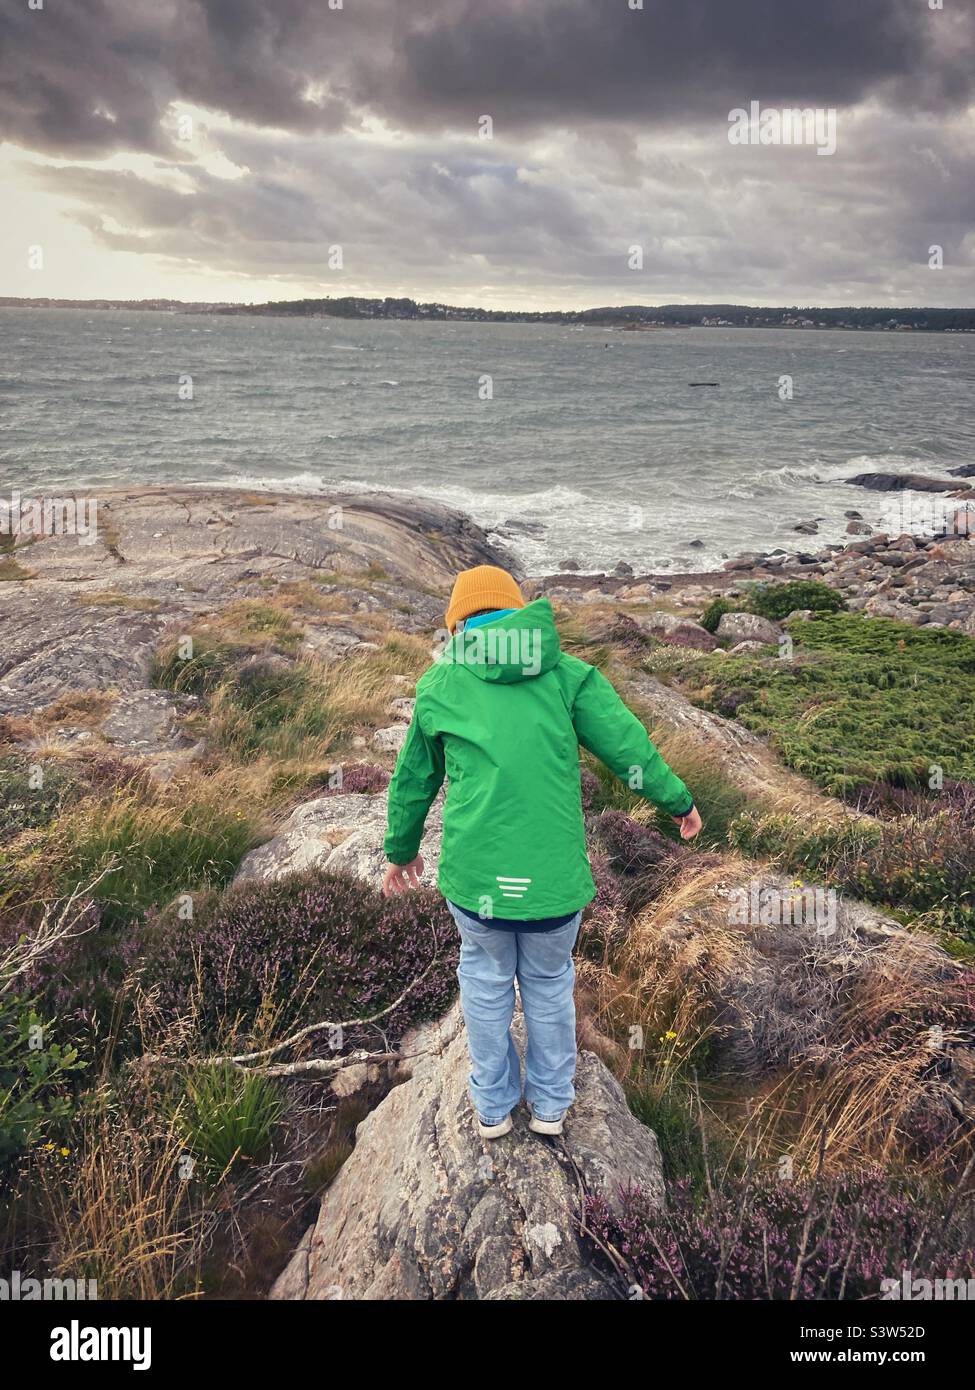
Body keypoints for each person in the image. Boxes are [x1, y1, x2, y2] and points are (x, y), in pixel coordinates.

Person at [382, 564, 701, 1139]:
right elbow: (628, 749)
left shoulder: (440, 684)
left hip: (477, 885)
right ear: (518, 612)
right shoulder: (569, 675)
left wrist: (402, 851)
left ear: (458, 624)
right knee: (549, 983)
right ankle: (551, 1105)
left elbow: (413, 781)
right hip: (553, 885)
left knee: (483, 979)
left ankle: (494, 1107)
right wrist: (677, 801)